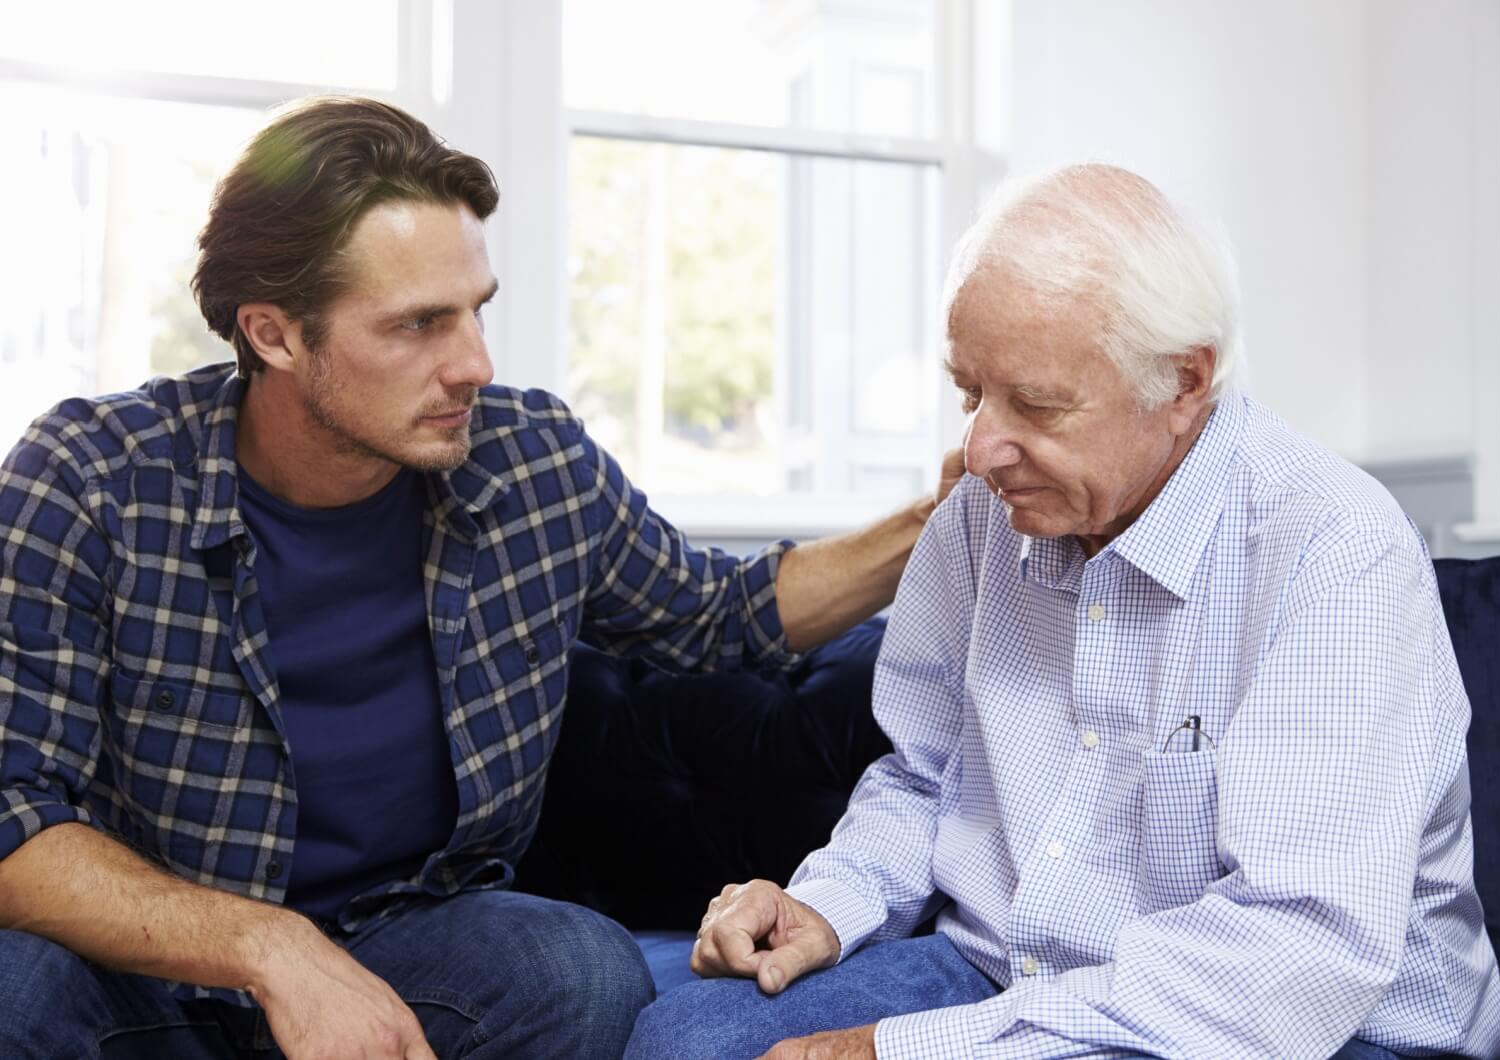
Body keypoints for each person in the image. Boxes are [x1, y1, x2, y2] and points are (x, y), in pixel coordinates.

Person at [0, 96, 958, 1060]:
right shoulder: (92, 478)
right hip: (147, 961)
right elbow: (12, 813)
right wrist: (267, 947)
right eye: (419, 324)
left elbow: (724, 615)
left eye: (475, 311)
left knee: (575, 967)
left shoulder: (530, 462)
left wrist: (945, 514)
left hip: (404, 941)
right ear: (275, 334)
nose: (475, 364)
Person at [629, 164, 1500, 1060]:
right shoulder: (980, 513)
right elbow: (925, 776)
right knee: (688, 1043)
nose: (978, 449)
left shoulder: (1335, 550)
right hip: (1005, 969)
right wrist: (830, 903)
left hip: (1305, 1021)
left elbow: (1288, 955)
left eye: (1036, 404)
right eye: (970, 392)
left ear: (1183, 383)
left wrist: (901, 1050)